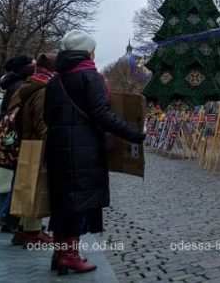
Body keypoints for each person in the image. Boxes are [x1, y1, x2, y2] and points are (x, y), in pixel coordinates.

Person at [45, 31, 145, 275]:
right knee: (78, 204)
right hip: (84, 151)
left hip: (57, 150)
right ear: (87, 51)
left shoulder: (55, 80)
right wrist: (134, 133)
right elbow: (102, 114)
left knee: (63, 203)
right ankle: (70, 255)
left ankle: (60, 254)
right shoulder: (90, 76)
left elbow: (48, 116)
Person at [6, 54, 57, 247]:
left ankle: (22, 229)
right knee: (35, 189)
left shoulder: (27, 85)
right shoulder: (43, 89)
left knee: (25, 186)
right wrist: (52, 142)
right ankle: (31, 232)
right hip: (36, 144)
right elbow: (42, 122)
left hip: (24, 142)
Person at [0, 56, 36, 235]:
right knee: (17, 179)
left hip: (10, 137)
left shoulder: (12, 84)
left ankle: (9, 217)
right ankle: (8, 217)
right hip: (17, 138)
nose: (34, 65)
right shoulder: (20, 86)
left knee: (13, 178)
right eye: (31, 62)